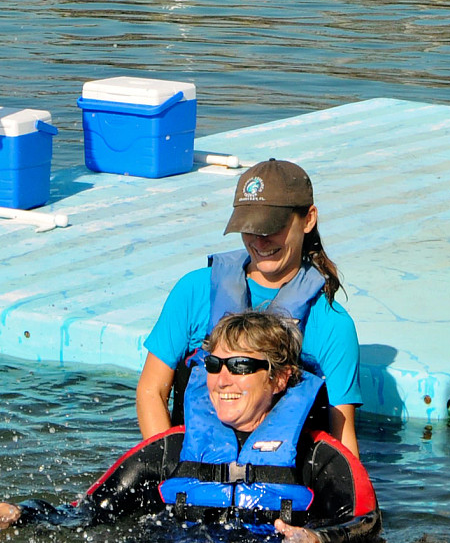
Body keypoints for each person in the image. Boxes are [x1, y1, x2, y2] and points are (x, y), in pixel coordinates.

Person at [0, 311, 381, 543]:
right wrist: (20, 512)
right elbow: (85, 513)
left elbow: (368, 524)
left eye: (241, 367)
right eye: (213, 365)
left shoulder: (318, 459)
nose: (222, 379)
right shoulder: (169, 451)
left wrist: (318, 539)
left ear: (281, 379)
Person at [134, 159, 363, 456]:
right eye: (250, 228)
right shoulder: (194, 291)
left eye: (273, 228)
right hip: (193, 472)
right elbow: (151, 391)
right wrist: (170, 470)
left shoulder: (332, 324)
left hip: (282, 484)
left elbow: (343, 440)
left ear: (308, 220)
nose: (260, 240)